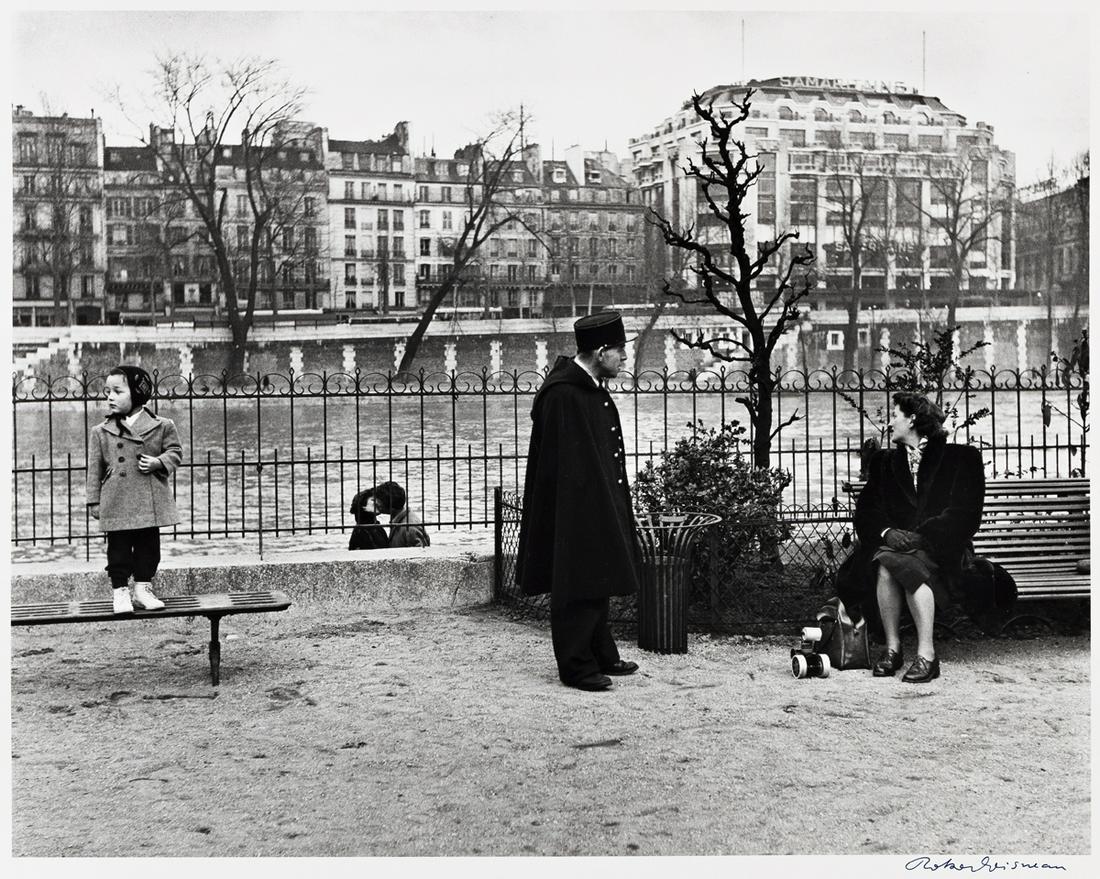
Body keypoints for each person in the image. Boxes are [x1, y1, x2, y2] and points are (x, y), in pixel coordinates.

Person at [515, 311, 642, 692]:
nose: (624, 359)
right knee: (576, 580)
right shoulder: (565, 395)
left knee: (597, 573)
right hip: (574, 506)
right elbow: (565, 466)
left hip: (594, 499)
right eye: (619, 351)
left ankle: (602, 653)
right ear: (601, 352)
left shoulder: (584, 389)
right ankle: (576, 666)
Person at [839, 392, 985, 683]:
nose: (890, 421)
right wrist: (888, 532)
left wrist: (922, 538)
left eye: (895, 415)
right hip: (893, 547)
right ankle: (897, 650)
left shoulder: (961, 458)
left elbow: (966, 514)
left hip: (943, 549)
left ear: (913, 419)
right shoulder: (883, 462)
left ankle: (924, 653)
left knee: (894, 564)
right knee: (888, 562)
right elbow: (867, 511)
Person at [87, 365, 183, 614]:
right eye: (107, 391)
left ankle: (142, 589)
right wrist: (93, 501)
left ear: (138, 394)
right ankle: (120, 592)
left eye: (117, 391)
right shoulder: (100, 432)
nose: (109, 396)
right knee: (117, 551)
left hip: (148, 499)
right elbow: (94, 469)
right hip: (116, 500)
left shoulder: (162, 425)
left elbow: (175, 452)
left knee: (148, 548)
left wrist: (158, 462)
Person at [356, 481, 430, 548]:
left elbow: (420, 554)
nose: (376, 504)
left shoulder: (409, 528)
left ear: (391, 508)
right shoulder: (400, 518)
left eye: (378, 504)